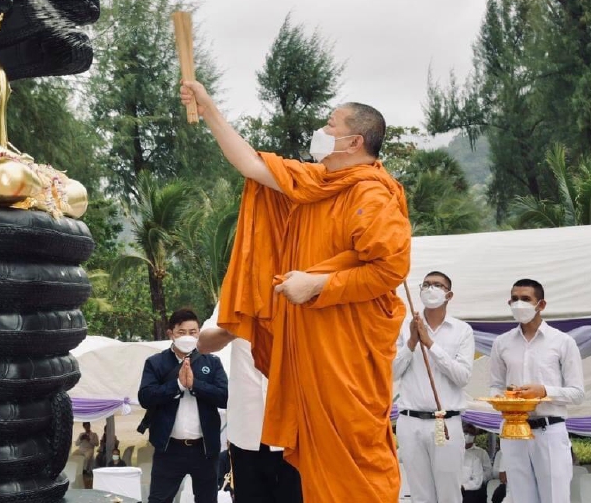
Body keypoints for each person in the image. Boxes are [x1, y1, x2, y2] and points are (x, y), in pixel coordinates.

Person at [180, 83, 411, 503]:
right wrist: (209, 108)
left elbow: (389, 268)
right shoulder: (316, 183)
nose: (321, 130)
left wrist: (318, 284)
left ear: (354, 140)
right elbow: (251, 164)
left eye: (330, 124)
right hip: (312, 352)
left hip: (347, 358)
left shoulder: (372, 195)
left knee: (356, 455)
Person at [487, 279, 585, 503]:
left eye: (525, 299)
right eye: (514, 299)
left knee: (555, 497)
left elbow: (577, 393)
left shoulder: (562, 342)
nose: (519, 304)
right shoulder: (501, 343)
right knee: (519, 496)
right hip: (513, 430)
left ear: (541, 304)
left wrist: (543, 391)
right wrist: (502, 398)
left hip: (549, 429)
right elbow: (495, 385)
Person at [200, 304, 301, 503]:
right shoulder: (238, 300)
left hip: (294, 434)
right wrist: (235, 327)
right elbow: (203, 343)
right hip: (247, 434)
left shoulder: (298, 295)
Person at [393, 270, 476, 503]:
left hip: (445, 421)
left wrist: (430, 344)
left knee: (449, 493)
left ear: (448, 295)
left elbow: (462, 377)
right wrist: (411, 343)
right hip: (410, 421)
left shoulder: (462, 330)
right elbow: (391, 373)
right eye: (426, 284)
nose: (431, 289)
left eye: (437, 285)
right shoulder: (404, 327)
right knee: (419, 494)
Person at [137, 308, 229, 503]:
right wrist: (177, 385)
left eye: (193, 332)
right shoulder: (156, 363)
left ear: (199, 333)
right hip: (169, 449)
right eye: (181, 332)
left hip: (204, 450)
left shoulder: (212, 362)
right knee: (159, 499)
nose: (188, 337)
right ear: (171, 333)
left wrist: (196, 385)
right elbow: (145, 397)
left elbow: (225, 397)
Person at [461, 424, 492, 503]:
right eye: (466, 432)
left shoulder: (481, 453)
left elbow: (488, 472)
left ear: (475, 436)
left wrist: (478, 478)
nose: (468, 436)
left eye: (471, 434)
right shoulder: (456, 452)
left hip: (476, 486)